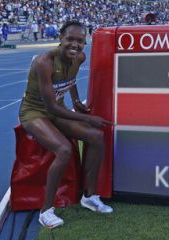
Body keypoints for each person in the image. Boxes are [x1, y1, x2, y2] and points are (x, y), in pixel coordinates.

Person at [18, 21, 114, 229]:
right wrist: (88, 118)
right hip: (35, 112)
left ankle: (89, 196)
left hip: (57, 109)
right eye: (70, 39)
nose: (75, 44)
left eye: (80, 41)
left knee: (96, 136)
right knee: (63, 149)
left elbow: (70, 80)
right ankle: (46, 211)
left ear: (85, 43)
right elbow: (50, 108)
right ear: (60, 38)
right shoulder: (45, 62)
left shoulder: (79, 57)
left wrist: (77, 101)